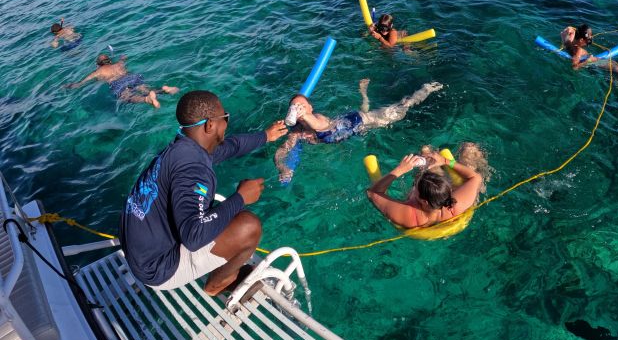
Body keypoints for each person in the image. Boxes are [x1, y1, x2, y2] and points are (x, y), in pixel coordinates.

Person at [119, 90, 289, 295]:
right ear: (210, 125)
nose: (227, 122)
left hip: (140, 251)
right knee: (248, 226)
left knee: (217, 213)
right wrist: (241, 197)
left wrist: (266, 136)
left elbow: (231, 147)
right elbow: (193, 236)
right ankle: (217, 285)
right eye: (225, 117)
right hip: (158, 269)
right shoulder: (194, 170)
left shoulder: (182, 148)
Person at [275, 79, 443, 184]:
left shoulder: (317, 118)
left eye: (302, 106)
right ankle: (364, 94)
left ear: (310, 108)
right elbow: (282, 151)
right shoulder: (296, 132)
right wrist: (283, 167)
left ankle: (425, 89)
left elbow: (320, 127)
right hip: (350, 130)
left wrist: (303, 114)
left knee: (401, 108)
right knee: (370, 110)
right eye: (295, 108)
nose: (298, 110)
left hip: (359, 121)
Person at [366, 143, 486, 229]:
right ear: (448, 191)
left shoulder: (409, 215)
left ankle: (426, 154)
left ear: (423, 201)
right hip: (441, 210)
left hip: (421, 213)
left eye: (415, 185)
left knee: (425, 151)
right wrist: (446, 161)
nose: (415, 185)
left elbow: (373, 193)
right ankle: (429, 156)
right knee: (469, 148)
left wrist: (400, 170)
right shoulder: (455, 206)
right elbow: (476, 177)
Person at [64, 53, 179, 109]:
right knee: (144, 88)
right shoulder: (119, 64)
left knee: (127, 97)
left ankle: (147, 99)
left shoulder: (97, 72)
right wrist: (122, 58)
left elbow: (80, 84)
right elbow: (124, 58)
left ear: (98, 64)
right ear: (109, 61)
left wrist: (68, 86)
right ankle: (164, 90)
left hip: (117, 83)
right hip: (132, 77)